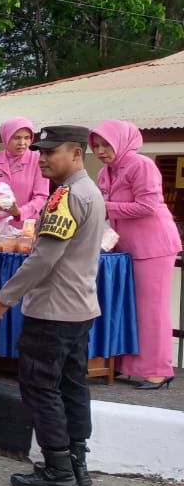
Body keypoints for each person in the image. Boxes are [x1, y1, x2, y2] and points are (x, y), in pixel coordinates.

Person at [0, 126, 105, 486]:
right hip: (79, 307)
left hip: (53, 310)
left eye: (50, 152)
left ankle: (58, 470)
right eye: (40, 152)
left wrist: (5, 296)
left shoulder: (65, 197)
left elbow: (44, 258)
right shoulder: (91, 192)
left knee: (40, 387)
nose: (42, 158)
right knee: (72, 386)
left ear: (75, 153)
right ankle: (77, 463)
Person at [89, 119, 181, 389]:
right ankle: (125, 365)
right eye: (96, 145)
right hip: (123, 247)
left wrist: (102, 206)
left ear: (122, 140)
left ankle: (157, 369)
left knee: (151, 309)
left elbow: (148, 206)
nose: (101, 150)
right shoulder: (105, 172)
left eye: (107, 144)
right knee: (125, 306)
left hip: (153, 246)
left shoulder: (142, 165)